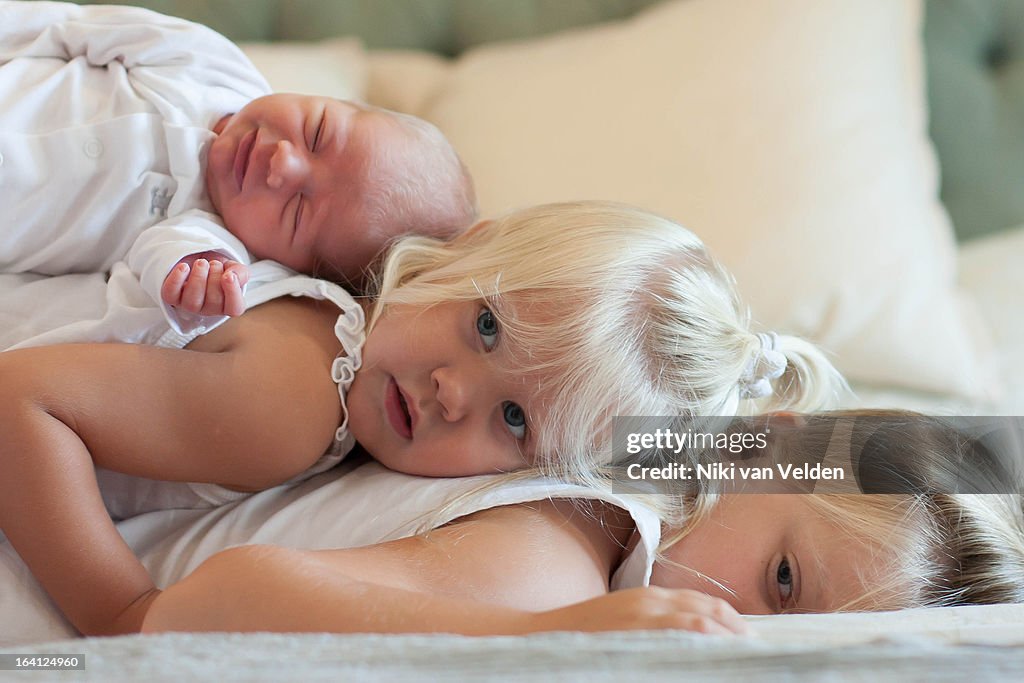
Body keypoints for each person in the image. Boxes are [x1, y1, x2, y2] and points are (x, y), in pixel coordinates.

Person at [0, 199, 843, 637]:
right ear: (466, 246)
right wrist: (120, 614)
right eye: (485, 325)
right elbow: (20, 399)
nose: (452, 392)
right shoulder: (296, 393)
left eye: (513, 418)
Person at [138, 411, 1024, 635]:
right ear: (756, 446)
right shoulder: (561, 567)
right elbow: (203, 606)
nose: (736, 636)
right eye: (782, 584)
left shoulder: (618, 449)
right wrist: (538, 636)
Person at [0, 0, 476, 335]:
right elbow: (67, 28)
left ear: (291, 267)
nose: (282, 164)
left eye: (296, 210)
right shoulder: (212, 63)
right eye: (316, 133)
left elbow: (156, 265)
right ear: (334, 100)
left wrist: (192, 282)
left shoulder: (213, 239)